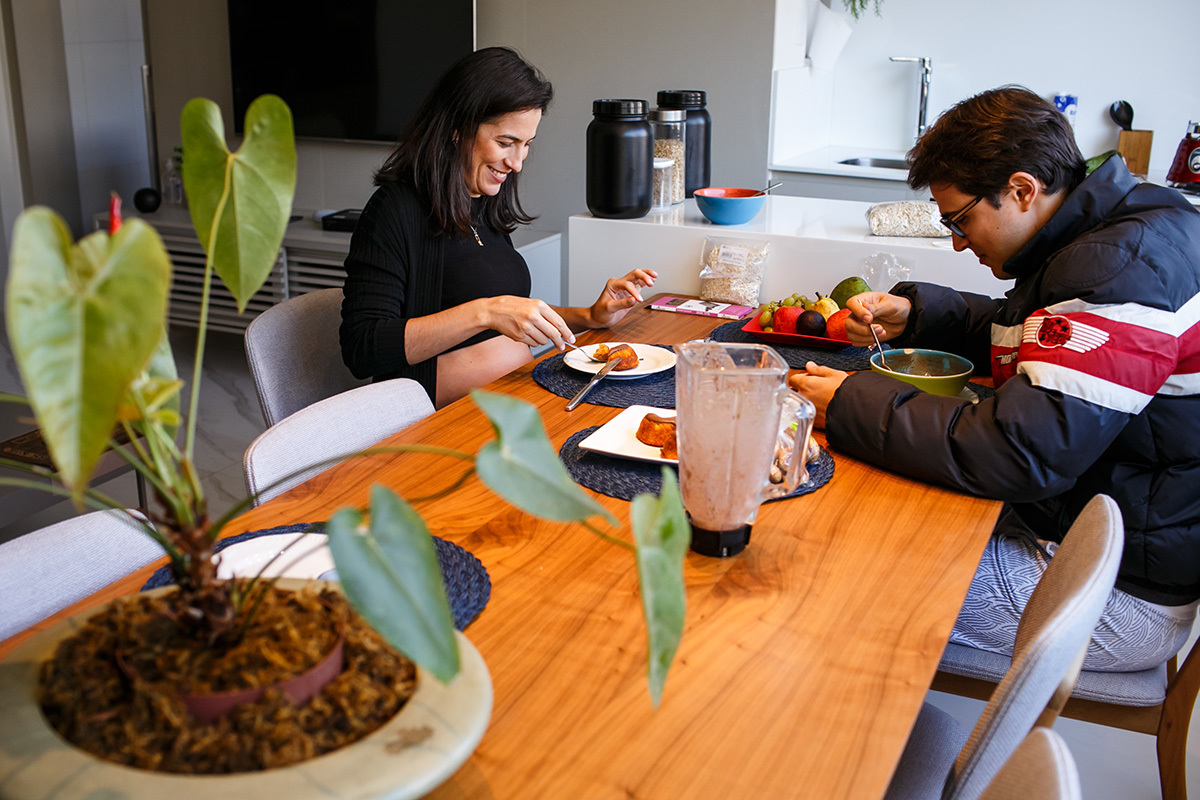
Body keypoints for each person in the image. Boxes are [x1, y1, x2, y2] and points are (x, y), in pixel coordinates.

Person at [790, 86, 1200, 671]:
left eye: (961, 220)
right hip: (1084, 535)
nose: (957, 242)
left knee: (834, 569)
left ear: (1022, 190)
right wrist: (921, 316)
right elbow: (1048, 342)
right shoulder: (1116, 228)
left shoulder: (1121, 265)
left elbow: (1018, 452)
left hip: (1113, 594)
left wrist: (850, 400)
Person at [340, 47, 655, 408]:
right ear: (458, 129)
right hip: (441, 425)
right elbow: (362, 347)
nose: (517, 163)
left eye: (525, 145)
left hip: (519, 398)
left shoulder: (481, 202)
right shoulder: (394, 210)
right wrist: (485, 311)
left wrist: (589, 317)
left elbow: (509, 316)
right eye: (505, 143)